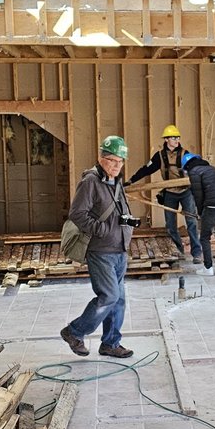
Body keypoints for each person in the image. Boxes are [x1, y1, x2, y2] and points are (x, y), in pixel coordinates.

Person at [60, 135, 138, 359]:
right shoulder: (91, 182)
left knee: (119, 299)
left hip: (119, 249)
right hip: (101, 251)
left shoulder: (116, 182)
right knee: (109, 296)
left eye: (120, 161)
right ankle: (74, 332)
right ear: (101, 158)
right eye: (112, 160)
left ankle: (111, 343)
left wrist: (127, 224)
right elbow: (77, 214)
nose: (116, 165)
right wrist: (101, 229)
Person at [127, 124, 202, 265]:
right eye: (173, 137)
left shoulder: (185, 154)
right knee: (170, 225)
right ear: (166, 139)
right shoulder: (159, 156)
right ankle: (178, 251)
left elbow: (198, 169)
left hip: (186, 191)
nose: (176, 140)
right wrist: (131, 180)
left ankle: (197, 253)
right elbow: (146, 170)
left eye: (178, 137)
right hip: (169, 193)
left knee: (191, 222)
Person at [181, 152, 215, 276]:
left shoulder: (194, 172)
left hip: (212, 206)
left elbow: (199, 195)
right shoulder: (212, 169)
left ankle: (208, 268)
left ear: (187, 166)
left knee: (204, 237)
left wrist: (201, 212)